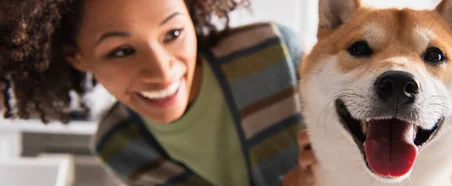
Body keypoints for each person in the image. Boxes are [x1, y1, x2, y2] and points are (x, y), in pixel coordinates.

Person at [0, 0, 317, 185]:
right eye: (122, 51)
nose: (162, 71)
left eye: (173, 33)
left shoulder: (272, 54)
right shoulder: (120, 143)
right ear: (78, 58)